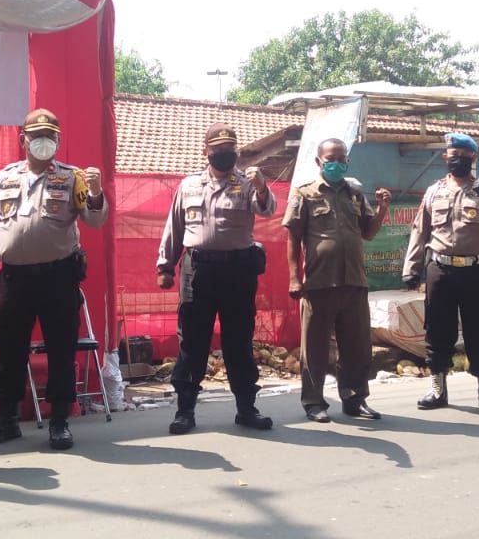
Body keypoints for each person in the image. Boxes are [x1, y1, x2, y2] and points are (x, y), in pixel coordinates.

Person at [0, 109, 107, 450]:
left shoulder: (73, 178)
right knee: (9, 350)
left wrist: (96, 192)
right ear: (23, 141)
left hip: (58, 277)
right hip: (13, 279)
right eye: (37, 136)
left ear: (58, 141)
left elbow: (94, 220)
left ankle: (59, 420)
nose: (43, 142)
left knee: (61, 349)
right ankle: (7, 418)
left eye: (50, 137)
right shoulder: (4, 178)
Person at [157, 123, 277, 435]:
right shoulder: (189, 185)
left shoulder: (248, 182)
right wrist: (165, 267)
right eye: (218, 149)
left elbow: (266, 209)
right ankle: (185, 411)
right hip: (198, 271)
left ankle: (246, 409)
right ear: (206, 151)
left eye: (230, 149)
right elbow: (175, 227)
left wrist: (262, 187)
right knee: (192, 342)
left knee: (239, 341)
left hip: (238, 270)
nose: (225, 154)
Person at [402, 132, 479, 414]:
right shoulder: (433, 191)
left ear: (473, 158)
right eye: (453, 156)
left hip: (477, 271)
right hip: (440, 269)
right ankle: (438, 389)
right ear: (445, 158)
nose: (458, 161)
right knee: (438, 330)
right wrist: (411, 269)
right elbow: (420, 231)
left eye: (464, 157)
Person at [284, 138, 390, 423]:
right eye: (331, 159)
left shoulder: (354, 192)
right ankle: (314, 402)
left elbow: (367, 233)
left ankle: (355, 399)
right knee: (315, 348)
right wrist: (295, 277)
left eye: (342, 159)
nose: (337, 163)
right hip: (319, 282)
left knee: (357, 346)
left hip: (354, 281)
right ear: (319, 161)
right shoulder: (304, 194)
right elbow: (293, 237)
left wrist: (381, 210)